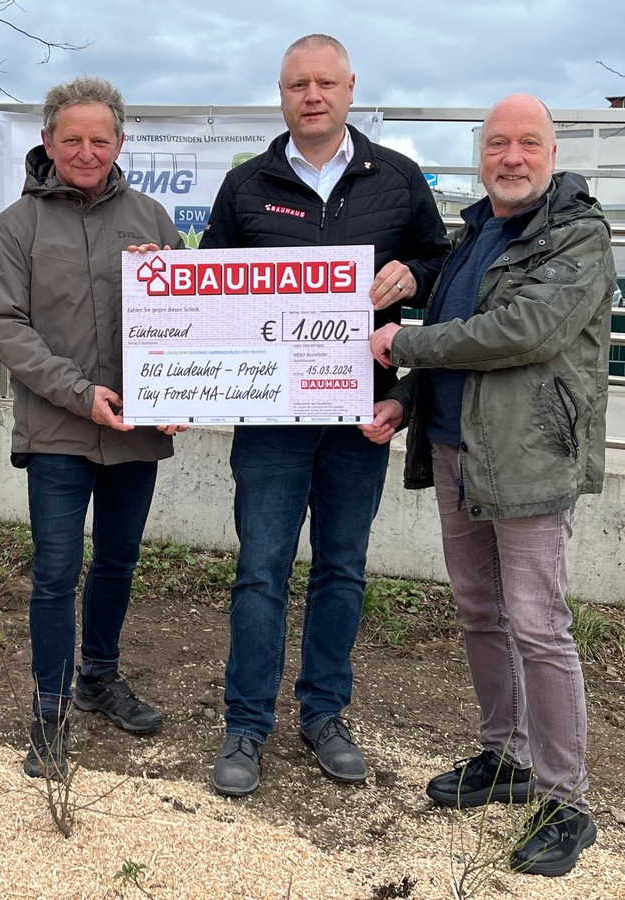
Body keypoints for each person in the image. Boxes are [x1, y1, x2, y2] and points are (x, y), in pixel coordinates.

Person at [367, 93, 615, 877]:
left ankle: (566, 801)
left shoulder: (577, 235)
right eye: (498, 143)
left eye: (528, 143)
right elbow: (455, 340)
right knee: (480, 611)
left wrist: (404, 339)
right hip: (453, 449)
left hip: (531, 457)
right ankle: (504, 757)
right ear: (482, 155)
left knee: (539, 625)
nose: (512, 157)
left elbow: (521, 333)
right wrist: (404, 397)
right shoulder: (474, 234)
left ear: (552, 152)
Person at [201, 34, 450, 796]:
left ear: (350, 90)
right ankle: (246, 726)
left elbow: (446, 277)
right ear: (281, 96)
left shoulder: (400, 180)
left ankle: (324, 714)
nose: (312, 95)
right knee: (260, 572)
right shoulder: (247, 186)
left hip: (358, 419)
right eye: (297, 84)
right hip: (271, 424)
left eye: (325, 83)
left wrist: (419, 273)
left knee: (341, 570)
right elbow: (202, 291)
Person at [0, 75, 185, 779]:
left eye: (101, 139)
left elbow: (189, 321)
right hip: (58, 433)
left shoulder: (154, 220)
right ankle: (48, 709)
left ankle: (99, 676)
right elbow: (5, 328)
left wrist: (185, 389)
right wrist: (79, 393)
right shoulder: (18, 226)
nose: (87, 151)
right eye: (72, 139)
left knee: (119, 562)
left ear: (120, 142)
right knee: (55, 573)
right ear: (47, 141)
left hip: (135, 433)